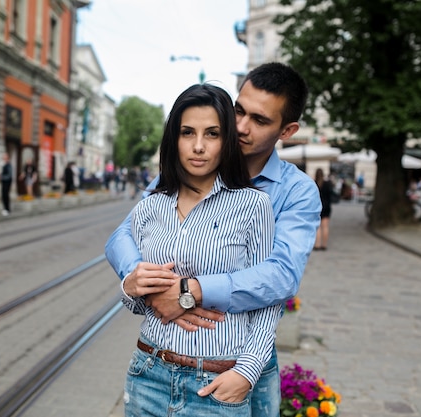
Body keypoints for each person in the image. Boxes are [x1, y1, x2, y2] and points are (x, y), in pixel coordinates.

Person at [105, 62, 321, 415]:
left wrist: (191, 292)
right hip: (155, 364)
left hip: (240, 361)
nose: (240, 126)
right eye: (238, 110)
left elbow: (280, 278)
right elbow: (124, 234)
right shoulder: (190, 170)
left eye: (260, 120)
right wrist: (146, 282)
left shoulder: (294, 192)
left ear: (288, 129)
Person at [313, 168, 332, 250]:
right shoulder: (327, 184)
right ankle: (324, 245)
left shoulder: (314, 183)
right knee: (325, 227)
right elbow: (330, 196)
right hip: (326, 206)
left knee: (318, 227)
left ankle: (317, 245)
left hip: (317, 206)